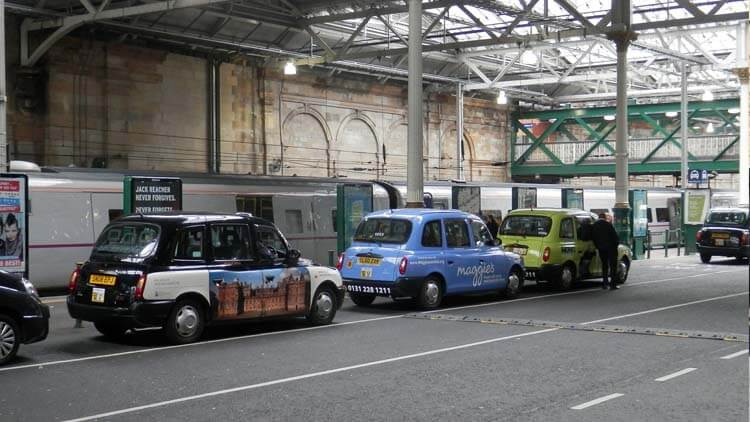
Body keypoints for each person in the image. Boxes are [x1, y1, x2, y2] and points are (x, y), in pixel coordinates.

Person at [591, 212, 619, 290]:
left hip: (601, 249)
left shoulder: (595, 226)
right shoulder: (608, 224)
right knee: (613, 266)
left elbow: (594, 238)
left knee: (604, 266)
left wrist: (598, 246)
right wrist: (616, 244)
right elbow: (615, 237)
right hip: (611, 248)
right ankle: (613, 285)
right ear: (605, 218)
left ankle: (605, 284)